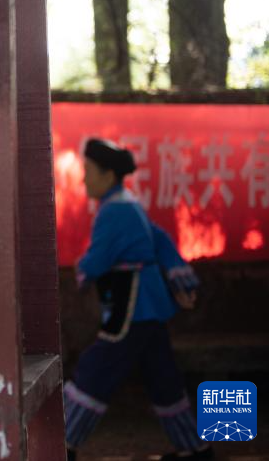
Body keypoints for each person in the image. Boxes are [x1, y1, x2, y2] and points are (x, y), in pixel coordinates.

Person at [64, 138, 210, 461]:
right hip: (148, 307)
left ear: (107, 175)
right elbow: (162, 241)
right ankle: (194, 449)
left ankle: (62, 445)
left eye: (88, 171)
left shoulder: (114, 212)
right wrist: (180, 280)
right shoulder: (128, 204)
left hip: (131, 308)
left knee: (94, 369)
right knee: (164, 380)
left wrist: (82, 268)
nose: (84, 179)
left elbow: (100, 257)